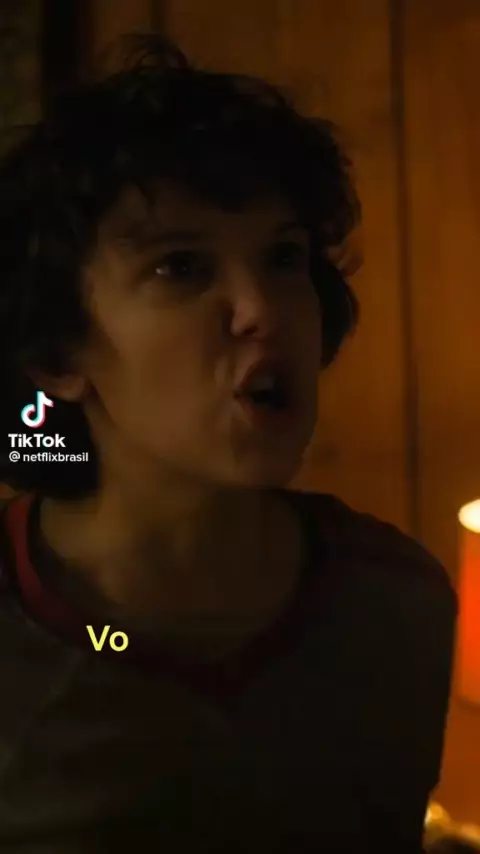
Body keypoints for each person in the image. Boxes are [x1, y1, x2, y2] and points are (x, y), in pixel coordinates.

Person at [0, 34, 456, 853]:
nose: (261, 309)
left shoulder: (394, 603)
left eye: (283, 257)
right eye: (180, 267)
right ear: (59, 354)